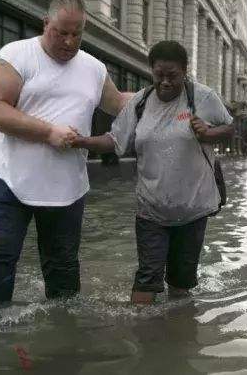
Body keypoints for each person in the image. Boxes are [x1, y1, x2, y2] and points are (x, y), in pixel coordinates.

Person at [0, 0, 134, 304]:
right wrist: (49, 132)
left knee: (64, 271)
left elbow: (118, 104)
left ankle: (64, 338)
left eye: (77, 34)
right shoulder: (16, 56)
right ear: (46, 24)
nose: (70, 42)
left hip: (66, 188)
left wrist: (163, 98)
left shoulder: (94, 69)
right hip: (8, 179)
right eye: (62, 32)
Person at [71, 40, 234, 304]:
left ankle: (176, 336)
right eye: (159, 75)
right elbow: (114, 140)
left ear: (184, 72)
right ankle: (141, 337)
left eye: (173, 76)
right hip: (151, 208)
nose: (165, 82)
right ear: (152, 71)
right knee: (147, 278)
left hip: (193, 209)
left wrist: (208, 132)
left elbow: (228, 129)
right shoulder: (140, 102)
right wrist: (81, 141)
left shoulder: (202, 97)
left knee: (181, 285)